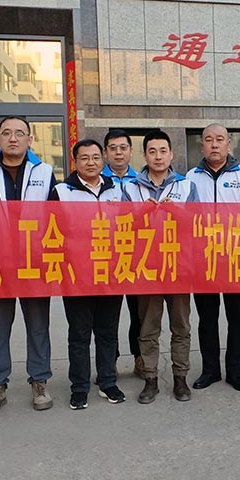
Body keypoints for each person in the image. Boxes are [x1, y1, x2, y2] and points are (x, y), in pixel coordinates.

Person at [0, 116, 57, 415]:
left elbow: (57, 215)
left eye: (19, 133)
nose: (13, 138)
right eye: (6, 133)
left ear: (30, 139)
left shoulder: (44, 172)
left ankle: (39, 381)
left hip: (34, 262)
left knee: (38, 326)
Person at [122, 130, 198, 403]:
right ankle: (150, 378)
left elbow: (198, 224)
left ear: (171, 154)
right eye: (152, 151)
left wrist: (179, 213)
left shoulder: (186, 186)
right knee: (148, 327)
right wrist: (139, 214)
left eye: (163, 151)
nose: (158, 156)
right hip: (147, 267)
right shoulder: (130, 188)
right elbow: (120, 227)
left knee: (181, 326)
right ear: (144, 155)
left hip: (178, 266)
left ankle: (180, 378)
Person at [49, 138, 126, 409]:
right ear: (75, 161)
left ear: (103, 159)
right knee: (79, 335)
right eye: (84, 158)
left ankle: (107, 381)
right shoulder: (61, 192)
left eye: (95, 157)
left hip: (110, 273)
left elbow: (129, 226)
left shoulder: (117, 189)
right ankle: (79, 387)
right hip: (76, 275)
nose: (91, 162)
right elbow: (51, 232)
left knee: (108, 332)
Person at [186, 123, 240, 391]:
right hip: (204, 259)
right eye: (208, 140)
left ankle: (235, 372)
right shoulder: (191, 177)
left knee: (237, 318)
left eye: (219, 139)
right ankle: (210, 371)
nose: (214, 144)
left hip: (237, 258)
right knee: (207, 319)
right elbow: (186, 219)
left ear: (229, 144)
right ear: (202, 146)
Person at [102, 129, 144, 378]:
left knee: (139, 313)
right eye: (113, 148)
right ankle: (111, 360)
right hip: (107, 255)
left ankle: (140, 357)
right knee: (109, 315)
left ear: (130, 151)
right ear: (105, 153)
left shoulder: (141, 181)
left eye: (123, 148)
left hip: (137, 256)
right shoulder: (97, 180)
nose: (118, 153)